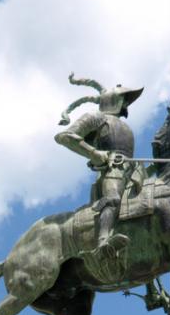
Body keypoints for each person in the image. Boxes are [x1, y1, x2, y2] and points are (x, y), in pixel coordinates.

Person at [54, 77, 144, 262]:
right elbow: (65, 136)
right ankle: (103, 241)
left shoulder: (124, 126)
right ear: (112, 100)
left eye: (126, 99)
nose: (125, 103)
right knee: (113, 199)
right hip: (113, 169)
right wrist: (95, 154)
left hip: (135, 170)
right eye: (122, 98)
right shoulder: (96, 117)